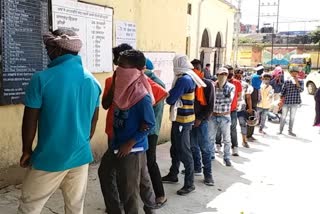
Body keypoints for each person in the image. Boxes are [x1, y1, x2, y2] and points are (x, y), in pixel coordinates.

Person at [18, 29, 101, 214]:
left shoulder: (41, 79)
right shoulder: (93, 81)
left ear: (58, 51)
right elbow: (93, 121)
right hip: (80, 156)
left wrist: (26, 150)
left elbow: (30, 119)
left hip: (50, 157)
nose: (47, 52)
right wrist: (80, 143)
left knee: (29, 206)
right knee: (74, 207)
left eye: (49, 48)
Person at [100, 50, 157, 214]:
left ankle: (145, 208)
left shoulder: (141, 95)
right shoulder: (121, 89)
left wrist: (130, 143)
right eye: (117, 65)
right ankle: (114, 210)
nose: (119, 69)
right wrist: (115, 81)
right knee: (105, 173)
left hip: (132, 148)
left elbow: (149, 123)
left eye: (123, 66)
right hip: (117, 143)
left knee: (129, 190)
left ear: (137, 70)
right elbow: (106, 103)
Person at [162, 54, 206, 196]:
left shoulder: (184, 80)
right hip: (181, 119)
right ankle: (173, 174)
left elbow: (171, 99)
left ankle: (189, 183)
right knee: (175, 148)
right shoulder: (188, 77)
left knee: (184, 152)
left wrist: (166, 94)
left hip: (183, 121)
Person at [145, 58, 168, 206]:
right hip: (148, 129)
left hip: (150, 130)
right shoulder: (153, 81)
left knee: (150, 162)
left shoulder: (155, 84)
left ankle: (160, 194)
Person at [190, 59, 215, 186]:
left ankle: (208, 174)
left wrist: (199, 118)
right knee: (193, 146)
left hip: (202, 121)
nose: (194, 71)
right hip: (189, 120)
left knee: (205, 148)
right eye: (191, 69)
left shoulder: (207, 85)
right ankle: (197, 167)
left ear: (201, 70)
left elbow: (210, 106)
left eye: (196, 69)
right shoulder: (189, 83)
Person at [208, 67, 235, 167]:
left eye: (225, 74)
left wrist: (218, 100)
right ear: (217, 75)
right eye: (221, 74)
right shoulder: (213, 86)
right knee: (210, 137)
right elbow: (210, 100)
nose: (223, 76)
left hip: (225, 116)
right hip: (213, 115)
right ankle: (211, 155)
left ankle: (226, 157)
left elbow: (230, 100)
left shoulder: (230, 87)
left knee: (227, 139)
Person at [215, 65, 242, 156]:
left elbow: (239, 95)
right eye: (228, 73)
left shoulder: (236, 83)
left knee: (233, 129)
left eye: (231, 73)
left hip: (232, 110)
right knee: (218, 129)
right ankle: (218, 144)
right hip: (219, 111)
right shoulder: (216, 84)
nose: (230, 74)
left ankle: (235, 147)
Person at [279, 66, 304, 136]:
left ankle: (290, 131)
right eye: (292, 72)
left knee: (292, 117)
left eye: (295, 72)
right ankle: (280, 130)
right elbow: (283, 91)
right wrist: (280, 100)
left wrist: (296, 82)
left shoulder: (301, 81)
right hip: (286, 102)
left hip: (295, 102)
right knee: (283, 116)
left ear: (297, 73)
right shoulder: (287, 81)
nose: (294, 74)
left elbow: (301, 90)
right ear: (290, 73)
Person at [235, 68, 253, 148]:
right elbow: (248, 97)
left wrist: (250, 108)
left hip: (240, 107)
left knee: (241, 124)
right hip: (234, 107)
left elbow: (248, 97)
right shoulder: (245, 84)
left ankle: (244, 140)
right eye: (238, 75)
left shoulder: (245, 85)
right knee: (240, 124)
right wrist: (250, 108)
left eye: (240, 75)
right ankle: (243, 141)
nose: (239, 77)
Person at [247, 65, 264, 141]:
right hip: (251, 106)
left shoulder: (254, 77)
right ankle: (248, 135)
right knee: (251, 119)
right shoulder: (256, 77)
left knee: (252, 119)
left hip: (254, 104)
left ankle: (250, 135)